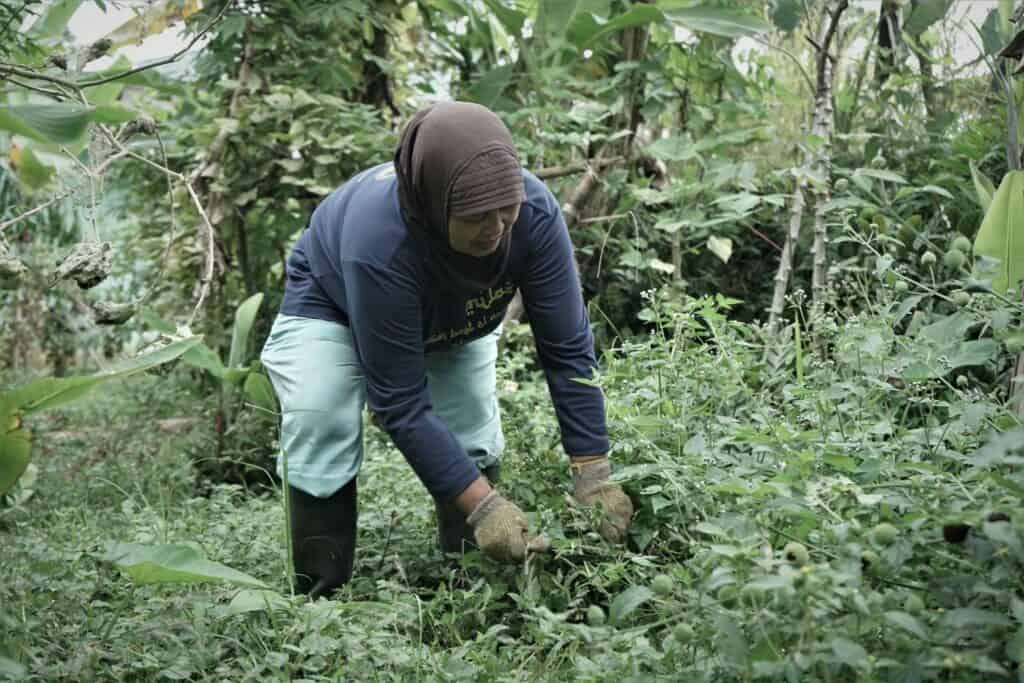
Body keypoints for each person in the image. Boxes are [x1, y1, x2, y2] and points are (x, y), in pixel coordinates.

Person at [261, 101, 632, 598]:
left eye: (507, 210)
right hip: (334, 301)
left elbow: (566, 351)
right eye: (477, 216)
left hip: (452, 311)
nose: (497, 228)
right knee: (320, 412)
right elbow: (400, 402)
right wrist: (485, 507)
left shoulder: (535, 216)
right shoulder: (378, 242)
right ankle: (318, 595)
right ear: (435, 204)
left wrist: (594, 475)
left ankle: (468, 583)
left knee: (472, 427)